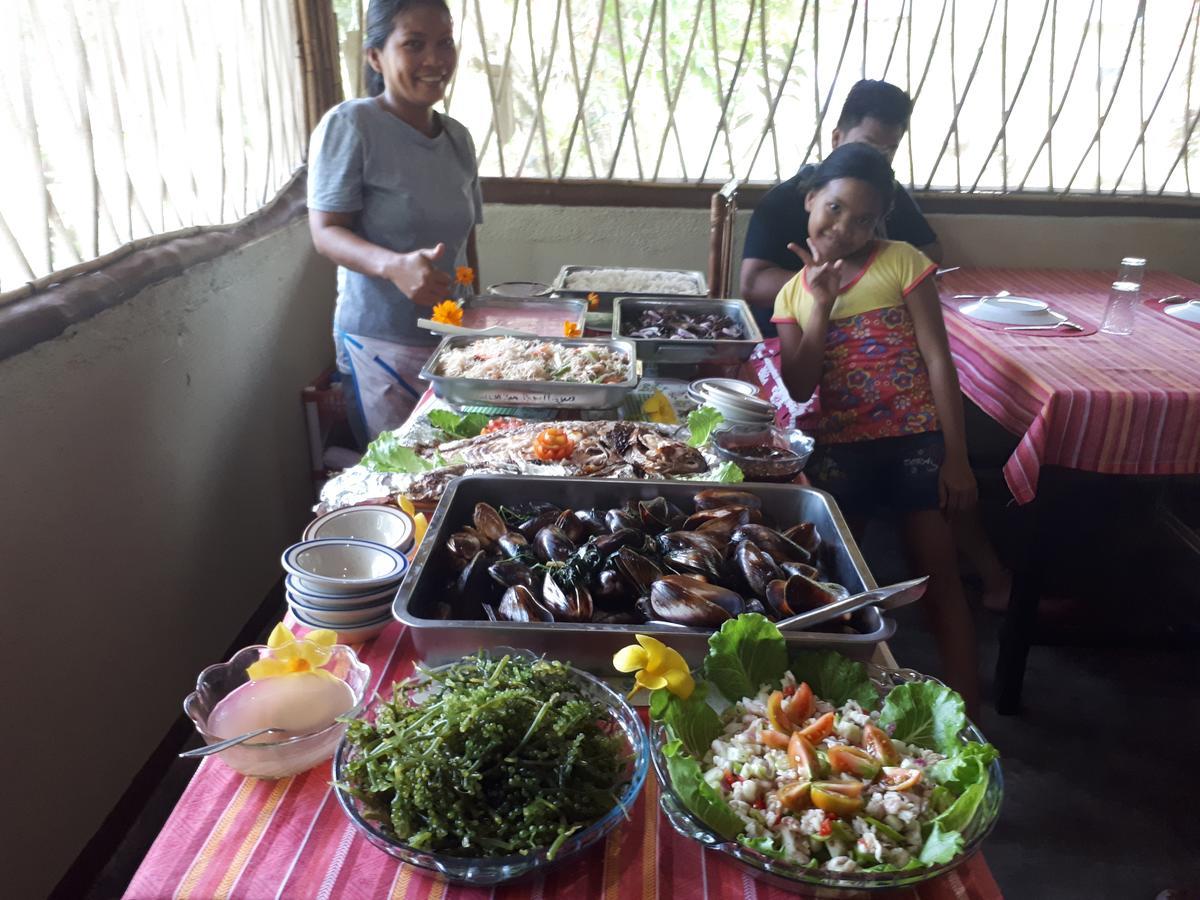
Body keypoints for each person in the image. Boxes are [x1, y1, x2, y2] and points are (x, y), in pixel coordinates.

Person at [771, 142, 979, 709]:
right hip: (841, 453)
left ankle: (970, 720)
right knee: (841, 592)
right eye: (835, 208)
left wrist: (956, 456)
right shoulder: (793, 293)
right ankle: (838, 715)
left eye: (863, 219)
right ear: (812, 198)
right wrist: (821, 302)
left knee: (939, 584)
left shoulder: (902, 261)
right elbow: (799, 385)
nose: (845, 227)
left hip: (916, 445)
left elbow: (939, 359)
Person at [308, 0, 482, 445]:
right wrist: (394, 265)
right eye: (414, 44)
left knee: (459, 468)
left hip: (452, 345)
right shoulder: (351, 125)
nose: (435, 59)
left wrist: (479, 323)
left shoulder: (457, 138)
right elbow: (325, 231)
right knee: (400, 481)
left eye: (445, 43)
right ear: (375, 56)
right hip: (380, 346)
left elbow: (467, 243)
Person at [741, 79, 942, 339]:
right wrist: (843, 281)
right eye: (866, 145)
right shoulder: (784, 200)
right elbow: (752, 285)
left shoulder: (886, 193)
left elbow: (932, 250)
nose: (876, 160)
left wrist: (890, 271)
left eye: (888, 151)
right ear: (837, 138)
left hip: (872, 338)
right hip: (788, 337)